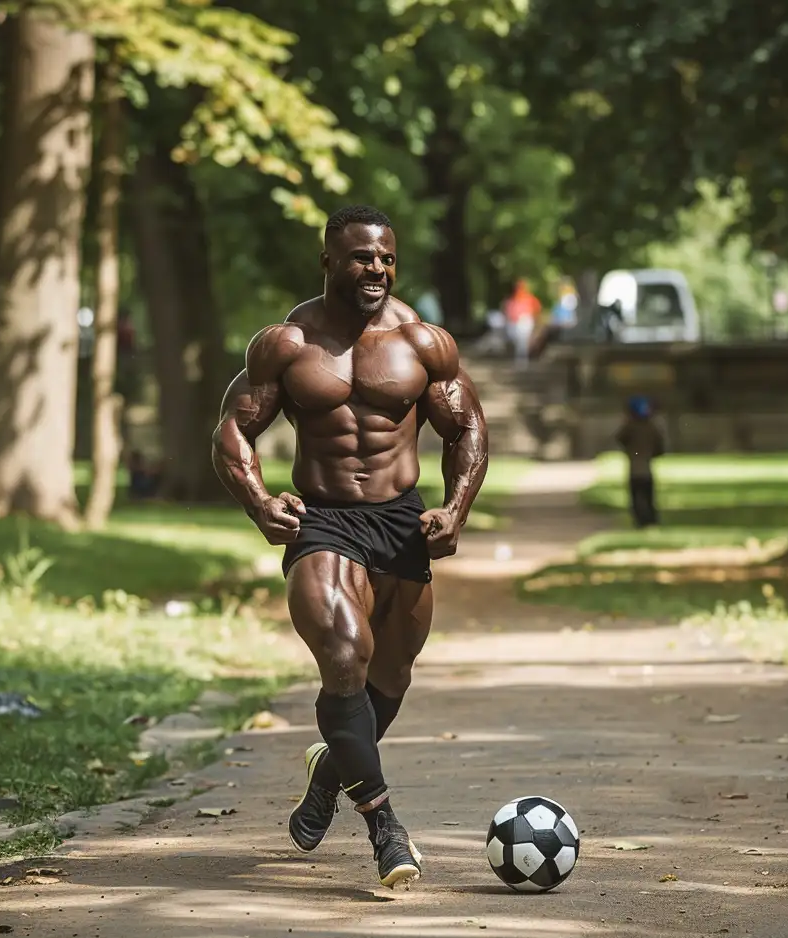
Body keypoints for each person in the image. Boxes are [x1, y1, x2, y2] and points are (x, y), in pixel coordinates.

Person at [211, 203, 488, 887]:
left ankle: (331, 769)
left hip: (399, 524)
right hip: (325, 521)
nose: (377, 270)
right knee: (342, 652)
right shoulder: (288, 341)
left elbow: (468, 429)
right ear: (329, 260)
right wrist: (259, 502)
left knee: (387, 681)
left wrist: (456, 509)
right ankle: (386, 829)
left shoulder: (424, 342)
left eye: (387, 258)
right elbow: (233, 433)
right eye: (363, 257)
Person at [616, 397, 665, 527]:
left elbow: (620, 439)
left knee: (636, 497)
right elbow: (660, 447)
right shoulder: (652, 428)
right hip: (646, 469)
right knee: (648, 497)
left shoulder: (630, 427)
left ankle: (640, 521)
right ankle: (650, 520)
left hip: (634, 470)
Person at [503, 278, 542, 364]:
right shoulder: (511, 299)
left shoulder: (530, 298)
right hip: (513, 323)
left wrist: (533, 319)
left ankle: (522, 360)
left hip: (525, 321)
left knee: (522, 340)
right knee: (515, 338)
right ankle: (520, 358)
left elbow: (537, 309)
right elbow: (507, 311)